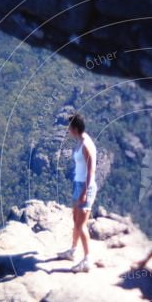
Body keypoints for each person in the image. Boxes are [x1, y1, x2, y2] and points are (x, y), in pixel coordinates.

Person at [57, 113, 97, 272]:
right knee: (76, 221)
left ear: (74, 129)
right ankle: (72, 251)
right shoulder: (80, 140)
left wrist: (85, 192)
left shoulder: (87, 145)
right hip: (78, 184)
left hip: (86, 187)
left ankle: (87, 260)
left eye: (69, 128)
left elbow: (91, 171)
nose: (67, 130)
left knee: (81, 226)